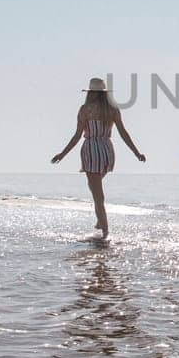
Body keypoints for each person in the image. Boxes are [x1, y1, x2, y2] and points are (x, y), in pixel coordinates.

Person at [50, 76, 145, 237]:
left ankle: (105, 232)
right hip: (107, 150)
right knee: (97, 189)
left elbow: (77, 136)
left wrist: (62, 154)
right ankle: (100, 221)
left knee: (97, 195)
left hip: (92, 149)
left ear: (90, 93)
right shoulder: (112, 109)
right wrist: (136, 152)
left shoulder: (85, 109)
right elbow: (123, 133)